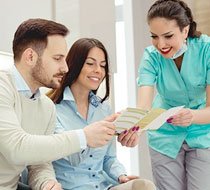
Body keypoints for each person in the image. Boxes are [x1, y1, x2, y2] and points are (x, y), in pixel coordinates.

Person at [0, 18, 118, 190]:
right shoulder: (3, 87)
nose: (66, 68)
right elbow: (17, 148)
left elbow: (39, 164)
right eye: (57, 58)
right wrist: (84, 137)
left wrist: (47, 183)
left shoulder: (46, 107)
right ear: (30, 56)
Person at [48, 38, 156, 190]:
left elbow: (108, 158)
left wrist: (121, 175)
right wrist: (93, 134)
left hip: (102, 186)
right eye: (90, 64)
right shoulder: (52, 109)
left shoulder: (104, 109)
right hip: (71, 187)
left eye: (103, 65)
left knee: (144, 186)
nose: (98, 70)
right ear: (74, 64)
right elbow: (73, 158)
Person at [137, 0, 210, 190]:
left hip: (202, 134)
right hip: (164, 136)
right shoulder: (151, 56)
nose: (160, 44)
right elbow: (143, 106)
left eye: (168, 36)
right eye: (154, 36)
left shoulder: (206, 50)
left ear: (185, 31)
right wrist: (134, 126)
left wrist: (192, 116)